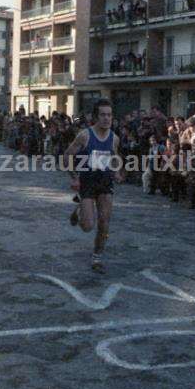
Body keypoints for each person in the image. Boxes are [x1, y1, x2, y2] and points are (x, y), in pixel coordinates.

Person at [64, 99, 121, 273]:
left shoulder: (114, 138)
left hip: (105, 183)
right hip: (87, 182)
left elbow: (114, 158)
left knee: (104, 222)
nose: (106, 118)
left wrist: (117, 171)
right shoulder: (85, 135)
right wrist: (74, 177)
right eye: (103, 115)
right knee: (88, 226)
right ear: (96, 117)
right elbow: (67, 156)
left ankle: (97, 257)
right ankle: (81, 208)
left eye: (109, 115)